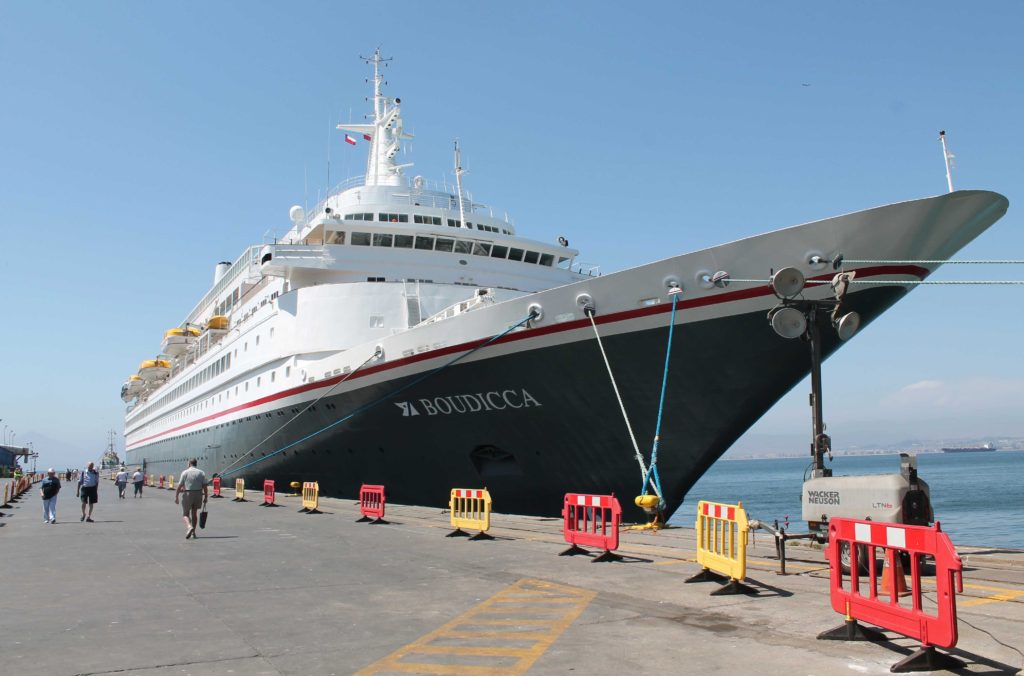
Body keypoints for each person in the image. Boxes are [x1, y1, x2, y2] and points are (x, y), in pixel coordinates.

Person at [175, 459, 207, 539]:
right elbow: (205, 486)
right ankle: (193, 533)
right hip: (199, 493)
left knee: (185, 514)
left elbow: (179, 486)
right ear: (196, 464)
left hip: (188, 493)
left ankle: (189, 527)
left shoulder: (185, 472)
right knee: (194, 513)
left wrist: (176, 497)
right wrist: (206, 497)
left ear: (189, 464)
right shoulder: (201, 472)